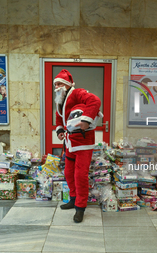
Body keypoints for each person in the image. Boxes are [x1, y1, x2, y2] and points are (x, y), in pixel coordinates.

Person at [54, 69, 101, 223]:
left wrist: (86, 120)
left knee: (80, 175)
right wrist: (60, 129)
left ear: (67, 85)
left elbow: (95, 101)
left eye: (60, 83)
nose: (57, 86)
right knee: (68, 172)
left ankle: (80, 208)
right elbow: (59, 117)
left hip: (83, 143)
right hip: (70, 142)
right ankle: (73, 199)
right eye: (55, 84)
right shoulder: (60, 99)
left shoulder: (78, 93)